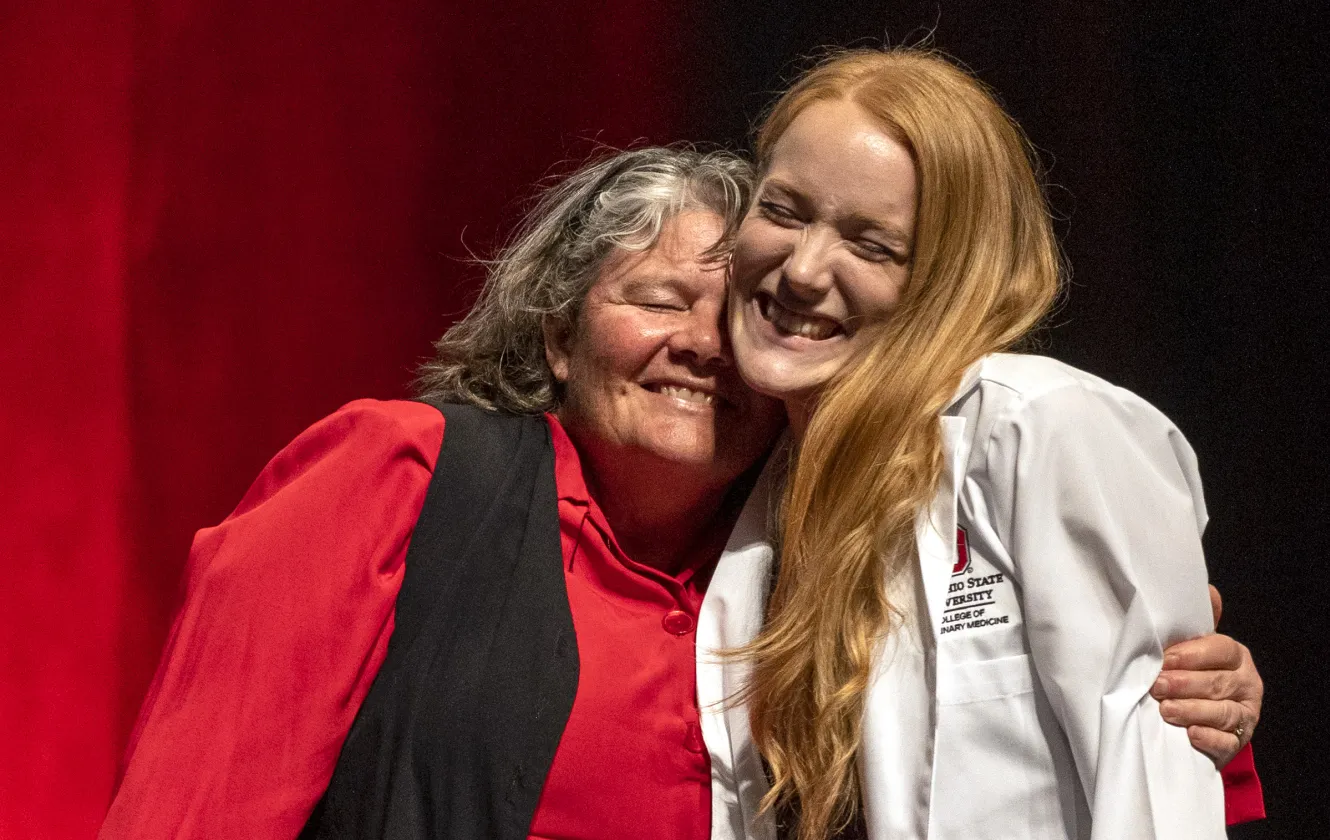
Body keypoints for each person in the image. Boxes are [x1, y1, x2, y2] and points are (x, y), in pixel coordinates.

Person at [101, 147, 1260, 840]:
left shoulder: (812, 574)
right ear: (556, 331)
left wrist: (1195, 702)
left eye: (744, 312)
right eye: (656, 299)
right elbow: (198, 808)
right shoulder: (402, 477)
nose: (705, 346)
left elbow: (1025, 748)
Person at [702, 49, 1261, 840]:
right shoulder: (737, 477)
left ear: (946, 277)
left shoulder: (1037, 424)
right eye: (785, 210)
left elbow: (1154, 785)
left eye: (871, 245)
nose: (802, 269)